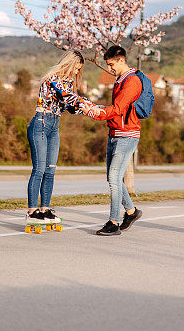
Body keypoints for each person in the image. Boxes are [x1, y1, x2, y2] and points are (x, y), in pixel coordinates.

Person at [83, 45, 144, 236]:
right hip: (115, 133)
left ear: (121, 60)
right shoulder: (120, 80)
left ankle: (113, 222)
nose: (109, 69)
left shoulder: (131, 81)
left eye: (111, 65)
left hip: (127, 135)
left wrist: (97, 113)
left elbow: (117, 109)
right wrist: (94, 107)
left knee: (113, 178)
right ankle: (132, 212)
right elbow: (115, 109)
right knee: (113, 177)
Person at [25, 50, 91, 226]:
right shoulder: (53, 77)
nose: (77, 72)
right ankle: (32, 212)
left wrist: (92, 109)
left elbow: (69, 106)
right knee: (39, 169)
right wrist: (84, 103)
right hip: (41, 122)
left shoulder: (68, 83)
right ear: (70, 63)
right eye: (77, 68)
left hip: (54, 125)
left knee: (51, 170)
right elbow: (66, 96)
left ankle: (45, 210)